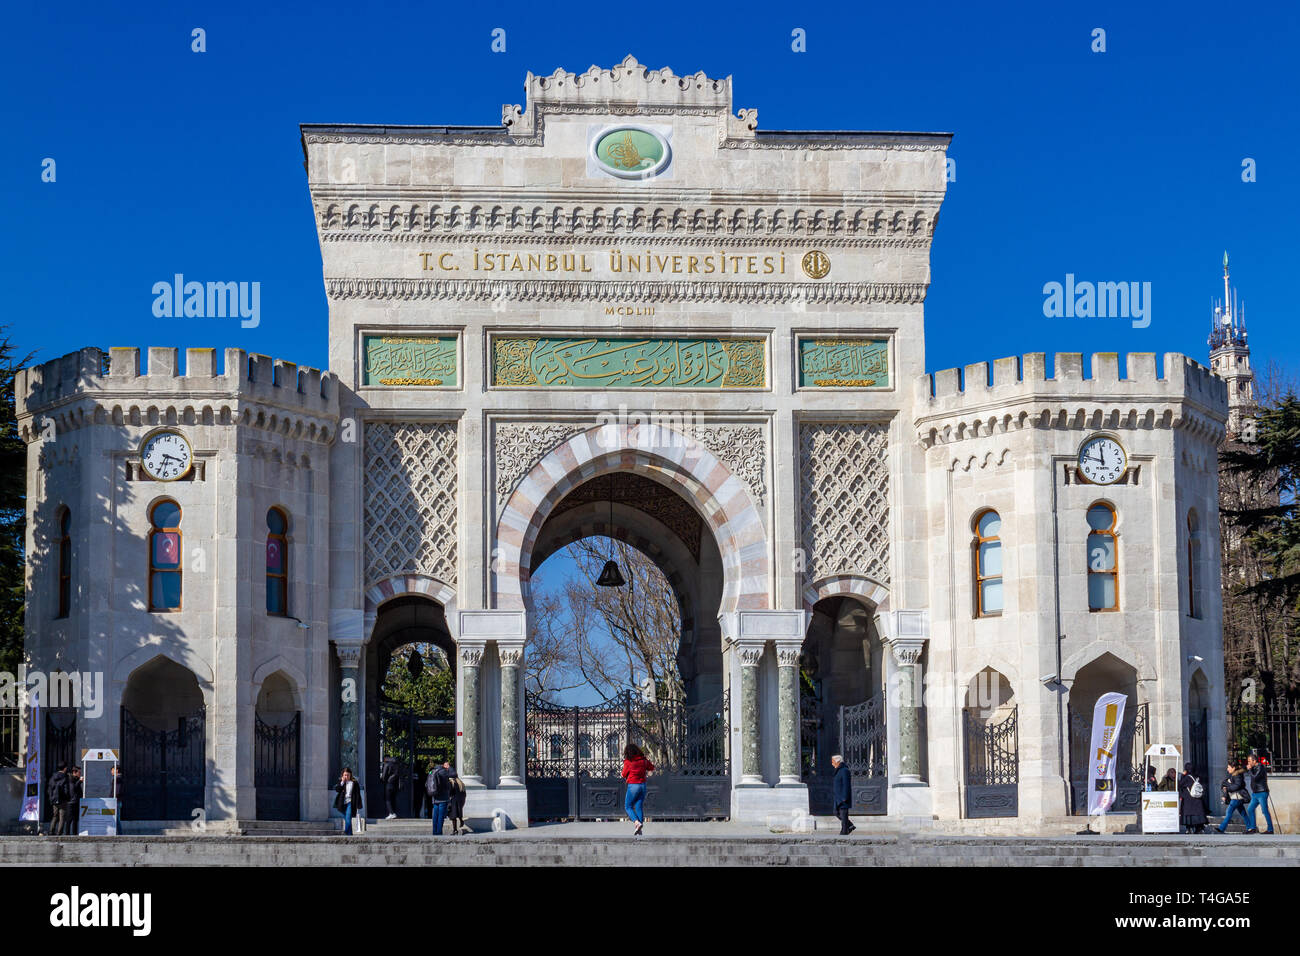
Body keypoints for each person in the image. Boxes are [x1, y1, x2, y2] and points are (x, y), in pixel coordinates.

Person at [621, 743, 654, 836]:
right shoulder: (643, 760)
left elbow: (623, 774)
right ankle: (639, 828)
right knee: (639, 806)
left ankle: (636, 823)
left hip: (633, 785)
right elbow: (651, 767)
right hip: (642, 785)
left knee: (628, 806)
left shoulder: (628, 762)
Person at [1214, 760, 1250, 833]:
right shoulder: (1232, 774)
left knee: (1229, 811)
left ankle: (1221, 828)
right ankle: (1250, 827)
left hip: (1237, 797)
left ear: (1233, 768)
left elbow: (1237, 785)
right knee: (1243, 813)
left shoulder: (1237, 775)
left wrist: (1228, 787)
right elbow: (1225, 783)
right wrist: (1226, 788)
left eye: (1228, 767)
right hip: (1235, 797)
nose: (1227, 769)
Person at [1243, 753, 1274, 834]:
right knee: (1250, 809)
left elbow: (1255, 778)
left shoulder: (1260, 767)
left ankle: (1270, 829)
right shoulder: (1254, 767)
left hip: (1262, 792)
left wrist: (1249, 770)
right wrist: (1249, 769)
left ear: (1254, 760)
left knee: (1264, 810)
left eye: (1249, 761)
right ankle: (1253, 828)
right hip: (1255, 793)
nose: (1248, 763)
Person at [1178, 763, 1208, 834]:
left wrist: (1183, 775)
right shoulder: (1198, 777)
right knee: (1198, 813)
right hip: (1197, 799)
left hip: (1188, 799)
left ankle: (1189, 828)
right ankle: (1199, 828)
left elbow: (1179, 785)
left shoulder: (1187, 777)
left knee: (1189, 814)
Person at [334, 768, 363, 836]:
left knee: (348, 817)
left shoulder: (354, 783)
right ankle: (350, 833)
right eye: (345, 775)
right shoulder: (341, 782)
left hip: (350, 802)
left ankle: (347, 833)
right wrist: (342, 782)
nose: (346, 777)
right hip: (342, 803)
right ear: (342, 775)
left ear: (350, 775)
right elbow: (337, 790)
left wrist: (358, 804)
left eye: (348, 775)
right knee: (347, 818)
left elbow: (357, 794)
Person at [426, 759, 452, 835]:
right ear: (443, 765)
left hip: (434, 797)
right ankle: (439, 831)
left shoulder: (432, 771)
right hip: (443, 797)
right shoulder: (443, 772)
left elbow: (426, 784)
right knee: (441, 815)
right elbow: (447, 784)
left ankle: (434, 831)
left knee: (435, 815)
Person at [47, 762, 73, 837]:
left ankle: (51, 831)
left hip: (54, 799)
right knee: (62, 817)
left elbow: (49, 788)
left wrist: (51, 798)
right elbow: (66, 789)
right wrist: (67, 798)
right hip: (62, 799)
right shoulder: (65, 777)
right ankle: (59, 833)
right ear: (64, 768)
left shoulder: (53, 777)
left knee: (55, 815)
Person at [832, 754, 855, 835]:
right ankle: (850, 825)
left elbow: (846, 785)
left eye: (833, 761)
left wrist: (845, 797)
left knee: (843, 815)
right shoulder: (838, 770)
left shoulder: (844, 770)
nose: (832, 763)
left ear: (837, 761)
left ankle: (844, 832)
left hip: (843, 797)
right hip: (837, 797)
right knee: (836, 812)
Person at [446, 763, 468, 835]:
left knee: (453, 816)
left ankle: (455, 830)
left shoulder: (451, 782)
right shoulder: (461, 783)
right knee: (459, 813)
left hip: (453, 801)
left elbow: (449, 793)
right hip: (460, 800)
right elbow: (464, 793)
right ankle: (461, 821)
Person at [66, 766, 84, 835]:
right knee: (69, 819)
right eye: (79, 772)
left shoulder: (76, 779)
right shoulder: (70, 779)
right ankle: (67, 834)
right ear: (74, 772)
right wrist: (80, 781)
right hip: (71, 802)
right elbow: (73, 789)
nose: (80, 774)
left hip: (76, 801)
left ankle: (75, 833)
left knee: (75, 819)